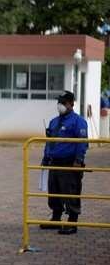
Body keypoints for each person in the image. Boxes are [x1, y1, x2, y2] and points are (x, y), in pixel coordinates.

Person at [40, 90, 88, 235]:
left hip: (69, 163)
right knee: (54, 191)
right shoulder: (54, 121)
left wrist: (78, 161)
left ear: (71, 104)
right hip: (54, 162)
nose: (60, 105)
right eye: (59, 102)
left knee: (70, 192)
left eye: (63, 102)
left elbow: (82, 143)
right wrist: (46, 158)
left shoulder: (78, 121)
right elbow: (49, 142)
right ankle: (56, 218)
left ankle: (72, 222)